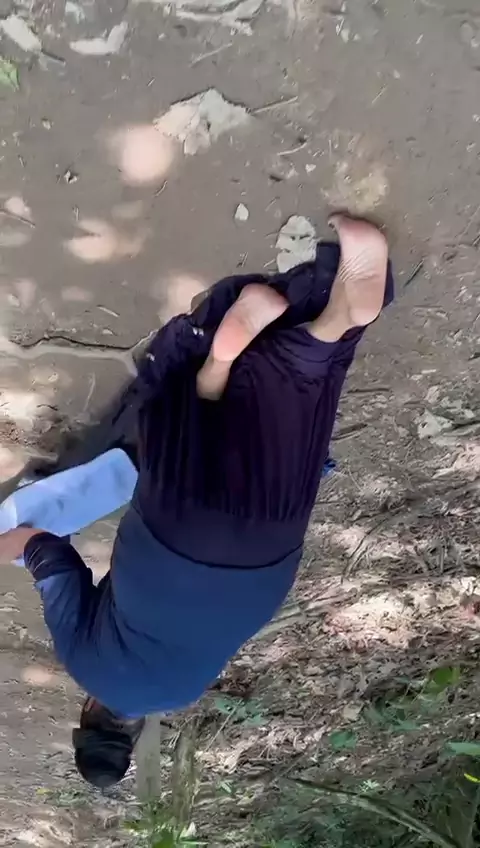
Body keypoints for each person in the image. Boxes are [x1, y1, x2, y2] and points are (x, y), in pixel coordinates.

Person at [0, 215, 393, 787]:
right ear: (87, 713)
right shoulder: (89, 668)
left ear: (135, 730)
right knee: (168, 419)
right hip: (173, 542)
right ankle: (219, 361)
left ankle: (335, 324)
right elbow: (46, 553)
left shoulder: (183, 693)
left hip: (267, 562)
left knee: (279, 435)